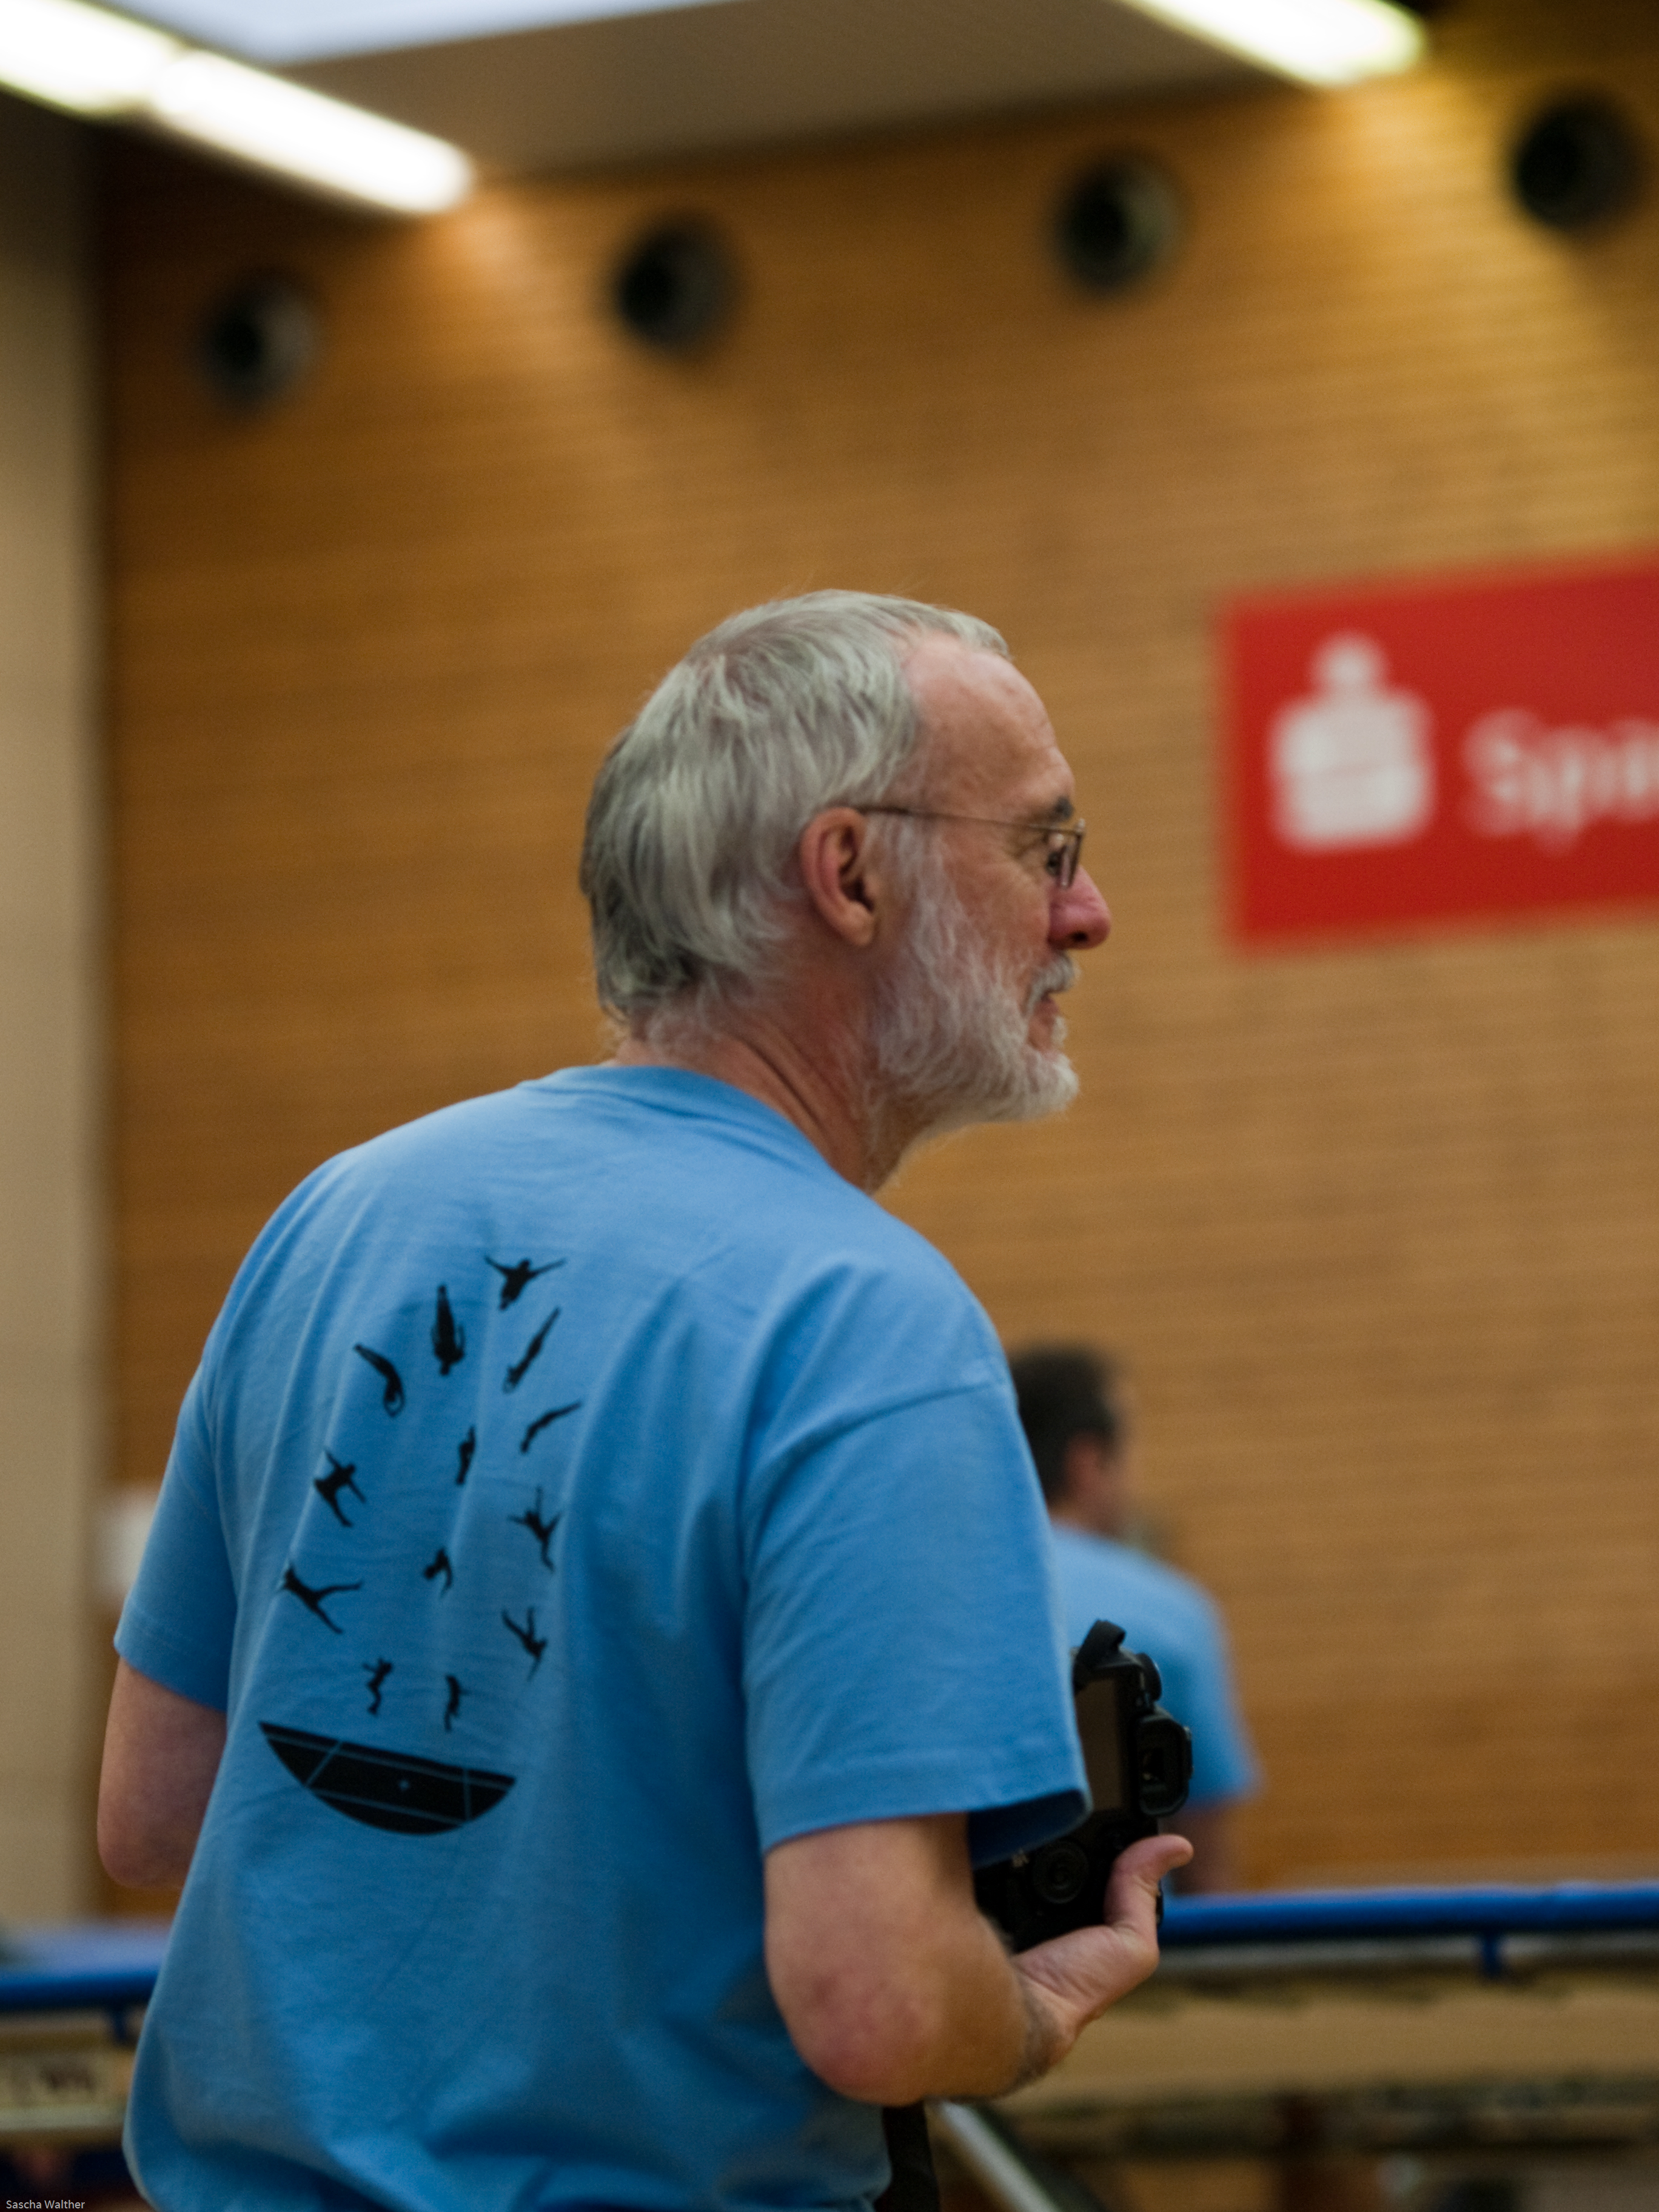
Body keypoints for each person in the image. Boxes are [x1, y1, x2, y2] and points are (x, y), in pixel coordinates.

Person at [98, 591, 1191, 2212]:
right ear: (849, 874)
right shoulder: (870, 1324)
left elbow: (156, 1816)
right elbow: (880, 2004)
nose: (1086, 913)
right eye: (1046, 847)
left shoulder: (335, 1220)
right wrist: (1025, 2005)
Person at [1010, 1344, 1258, 1893]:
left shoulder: (932, 1606)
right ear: (1088, 1462)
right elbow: (1205, 1861)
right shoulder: (1171, 1612)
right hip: (1134, 1940)